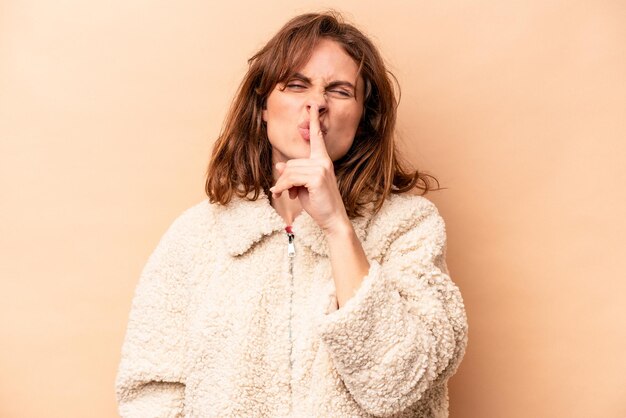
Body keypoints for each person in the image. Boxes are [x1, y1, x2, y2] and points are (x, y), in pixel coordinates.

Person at [115, 11, 468, 418]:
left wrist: (337, 226)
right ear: (263, 105)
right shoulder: (196, 237)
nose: (316, 103)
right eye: (297, 85)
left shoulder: (408, 227)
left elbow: (400, 383)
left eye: (339, 91)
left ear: (363, 119)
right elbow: (150, 391)